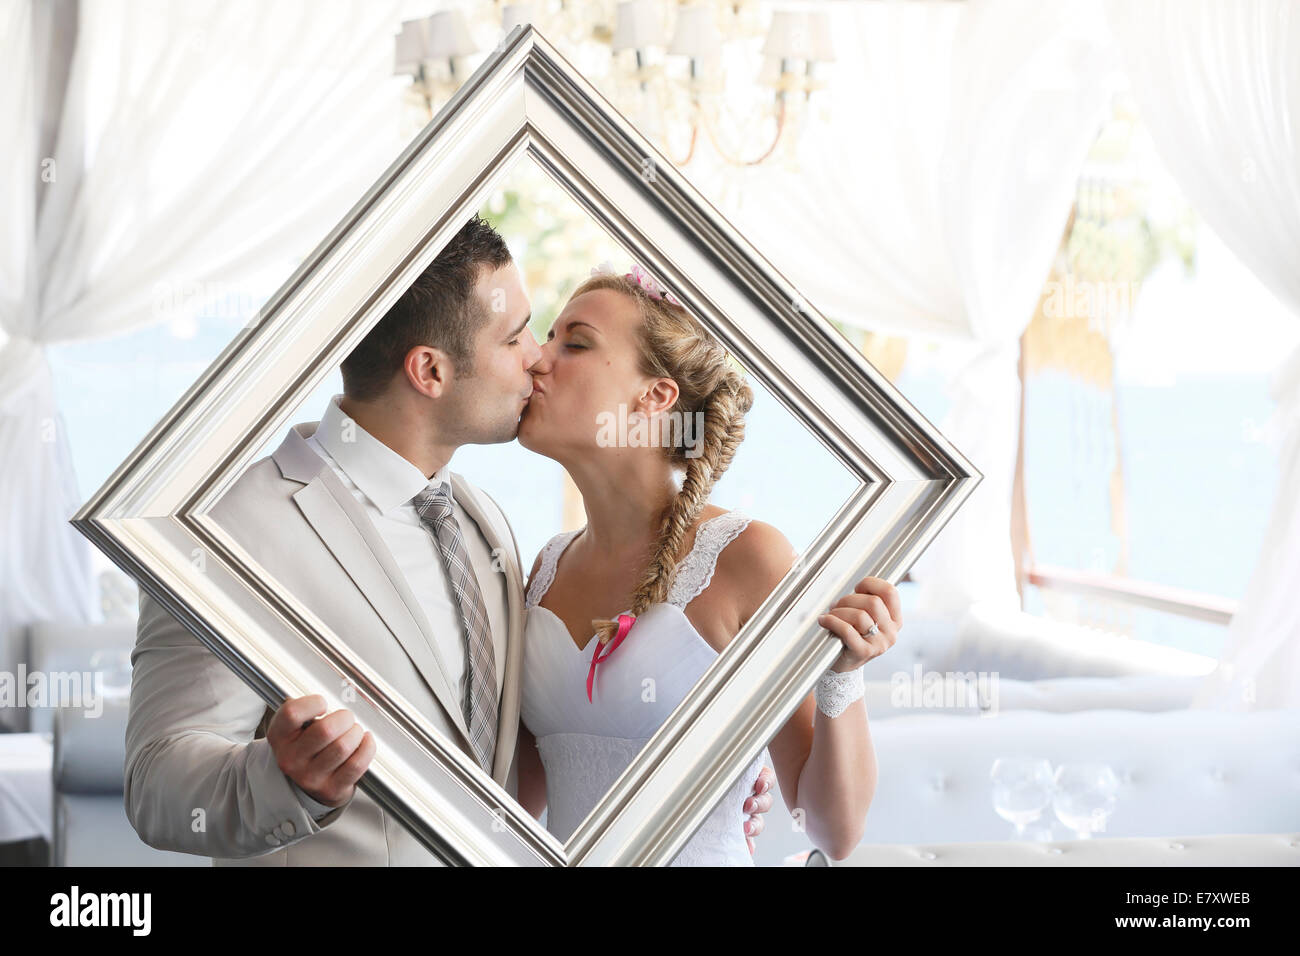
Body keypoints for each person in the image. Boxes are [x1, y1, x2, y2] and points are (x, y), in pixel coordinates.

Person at [123, 215, 780, 865]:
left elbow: (527, 762)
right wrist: (284, 780)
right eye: (518, 336)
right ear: (430, 372)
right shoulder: (231, 529)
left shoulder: (485, 524)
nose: (538, 359)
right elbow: (156, 781)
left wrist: (722, 758)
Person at [513, 264, 898, 864]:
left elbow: (833, 830)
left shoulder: (747, 559)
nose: (538, 358)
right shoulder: (544, 568)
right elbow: (515, 802)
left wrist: (841, 674)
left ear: (655, 396)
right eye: (547, 337)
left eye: (575, 342)